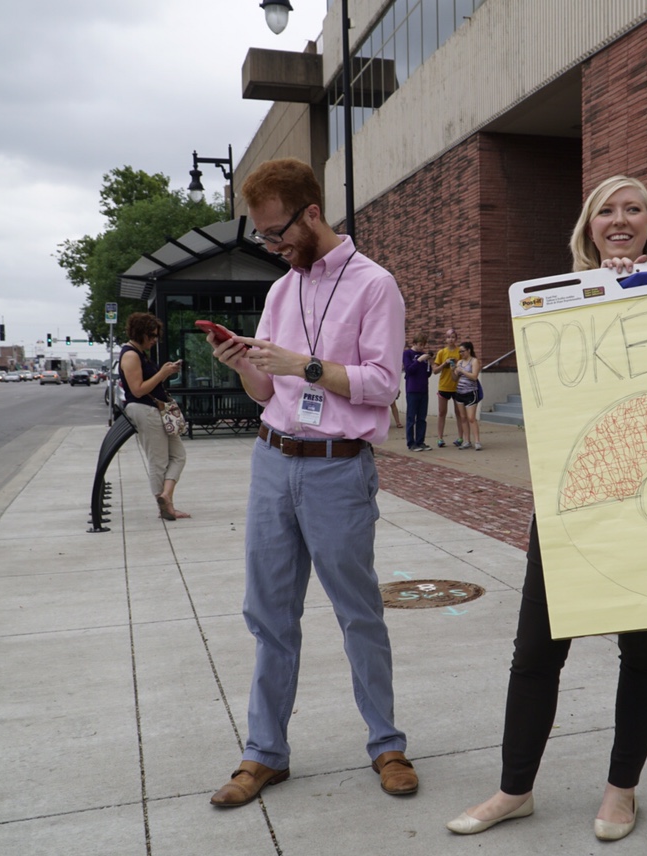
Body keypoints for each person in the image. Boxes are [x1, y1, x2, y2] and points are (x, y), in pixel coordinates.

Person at [447, 176, 647, 841]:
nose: (620, 218)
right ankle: (513, 789)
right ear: (586, 227)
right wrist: (603, 292)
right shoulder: (560, 301)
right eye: (605, 209)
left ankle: (621, 792)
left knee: (642, 652)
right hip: (573, 500)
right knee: (536, 654)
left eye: (633, 208)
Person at [204, 157, 418, 808]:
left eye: (278, 234)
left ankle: (386, 743)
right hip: (273, 458)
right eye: (265, 238)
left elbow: (385, 384)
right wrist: (242, 363)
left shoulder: (375, 285)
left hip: (337, 465)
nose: (273, 247)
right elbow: (268, 389)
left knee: (358, 612)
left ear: (312, 213)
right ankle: (264, 753)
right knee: (269, 617)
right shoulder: (280, 288)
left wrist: (309, 364)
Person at [118, 311, 188, 521]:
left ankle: (165, 496)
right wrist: (162, 374)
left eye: (157, 335)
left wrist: (165, 372)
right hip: (144, 410)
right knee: (158, 461)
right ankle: (166, 508)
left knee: (178, 455)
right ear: (140, 333)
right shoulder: (130, 355)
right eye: (151, 335)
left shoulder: (140, 353)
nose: (155, 340)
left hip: (156, 410)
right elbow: (137, 390)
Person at [430, 327, 462, 447]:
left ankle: (460, 437)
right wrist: (445, 363)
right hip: (444, 386)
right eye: (448, 337)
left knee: (459, 413)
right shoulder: (441, 352)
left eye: (453, 337)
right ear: (445, 339)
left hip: (457, 386)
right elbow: (435, 371)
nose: (450, 339)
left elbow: (463, 367)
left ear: (456, 339)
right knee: (442, 412)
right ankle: (440, 438)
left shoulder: (460, 351)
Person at [402, 332, 433, 451]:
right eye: (420, 344)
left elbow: (427, 373)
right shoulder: (408, 354)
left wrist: (429, 363)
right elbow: (409, 370)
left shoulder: (423, 355)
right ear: (414, 343)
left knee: (422, 417)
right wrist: (419, 360)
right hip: (412, 389)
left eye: (423, 345)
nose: (421, 347)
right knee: (411, 417)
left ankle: (420, 441)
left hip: (423, 389)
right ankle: (411, 443)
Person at [451, 340, 482, 451]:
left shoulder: (474, 361)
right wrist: (453, 370)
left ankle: (477, 441)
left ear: (469, 350)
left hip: (470, 392)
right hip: (460, 392)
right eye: (460, 352)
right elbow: (454, 378)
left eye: (463, 351)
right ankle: (466, 440)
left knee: (471, 418)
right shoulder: (459, 363)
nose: (461, 354)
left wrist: (462, 371)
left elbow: (474, 376)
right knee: (463, 418)